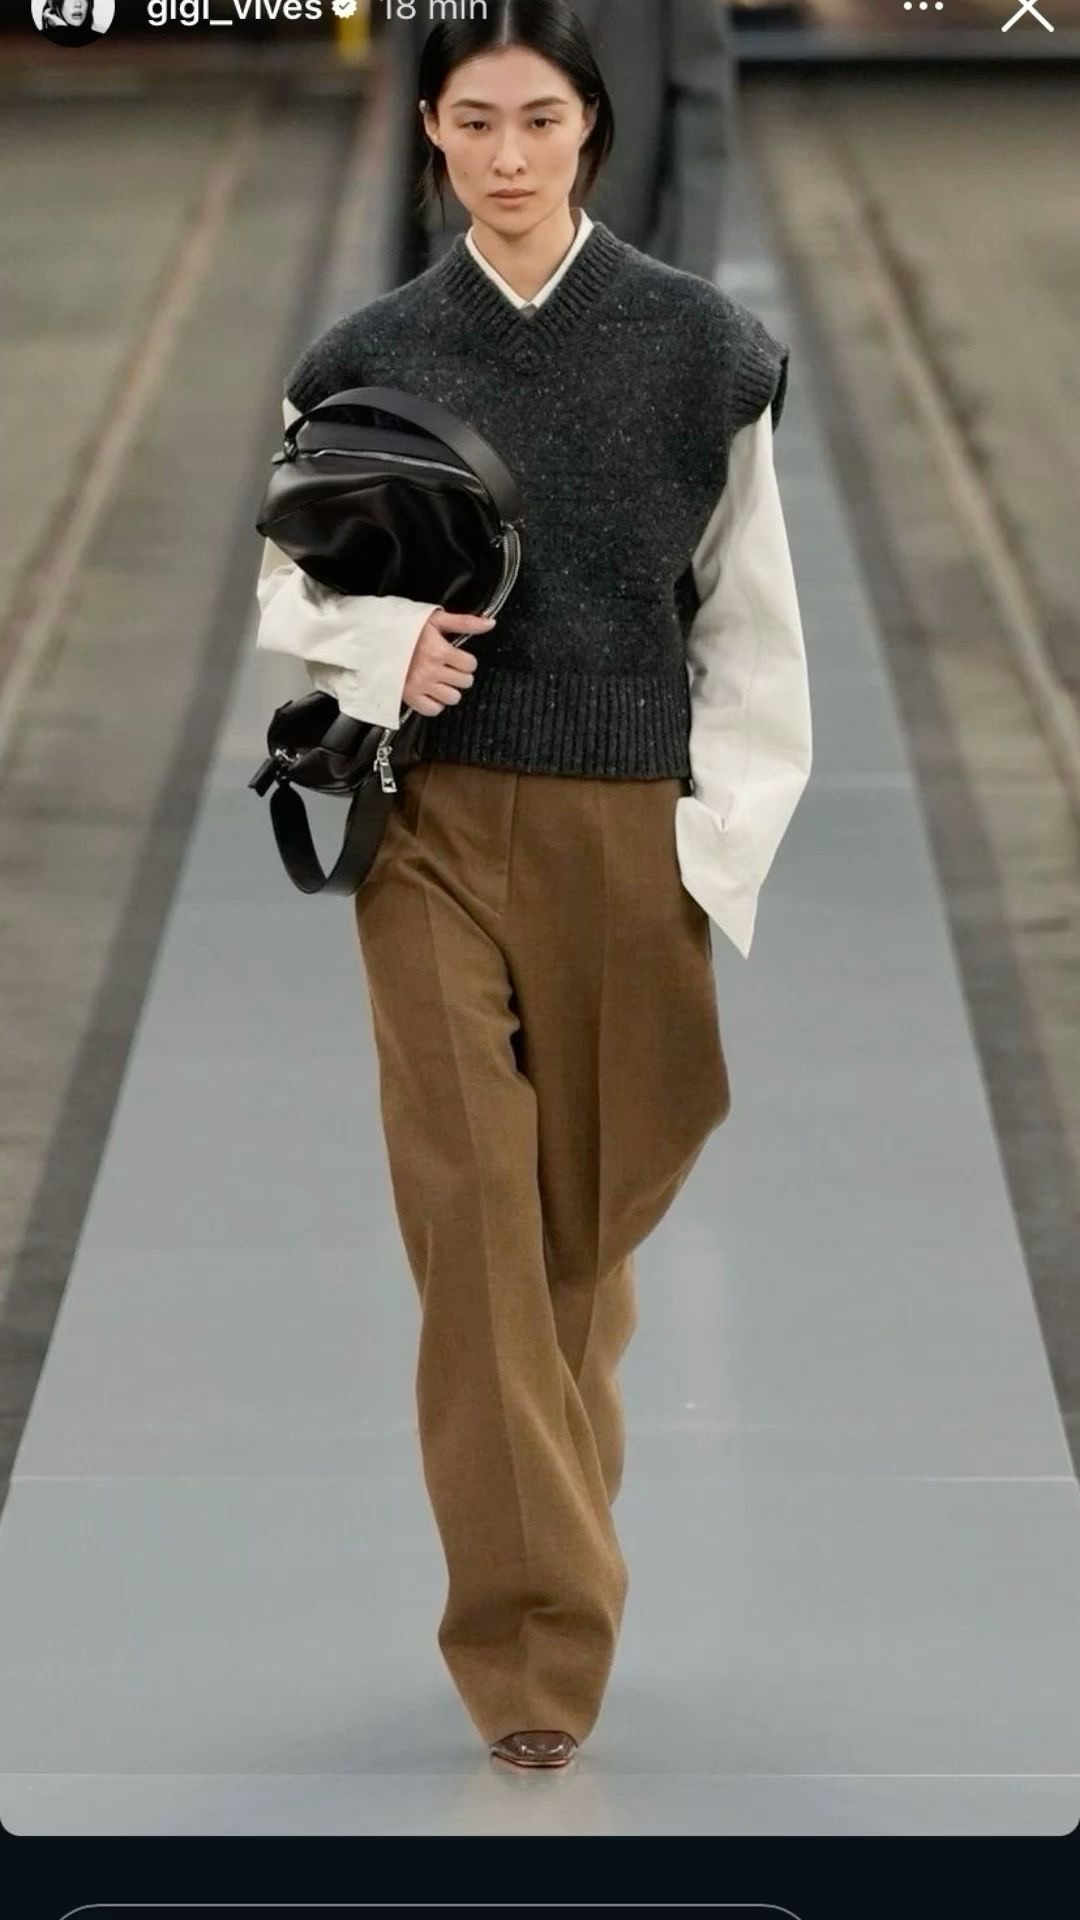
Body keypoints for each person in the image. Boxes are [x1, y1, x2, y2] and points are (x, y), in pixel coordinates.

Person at [254, 0, 812, 1771]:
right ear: (430, 130)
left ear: (591, 131)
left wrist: (711, 855)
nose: (508, 155)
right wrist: (382, 651)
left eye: (541, 120)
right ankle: (534, 1653)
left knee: (578, 1242)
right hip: (429, 828)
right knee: (481, 1230)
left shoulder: (701, 348)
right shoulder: (366, 354)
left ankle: (543, 1529)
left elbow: (751, 618)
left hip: (627, 830)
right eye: (476, 120)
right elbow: (291, 585)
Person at [385, 0, 737, 285]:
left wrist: (687, 284)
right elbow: (414, 114)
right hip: (457, 256)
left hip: (615, 259)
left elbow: (700, 102)